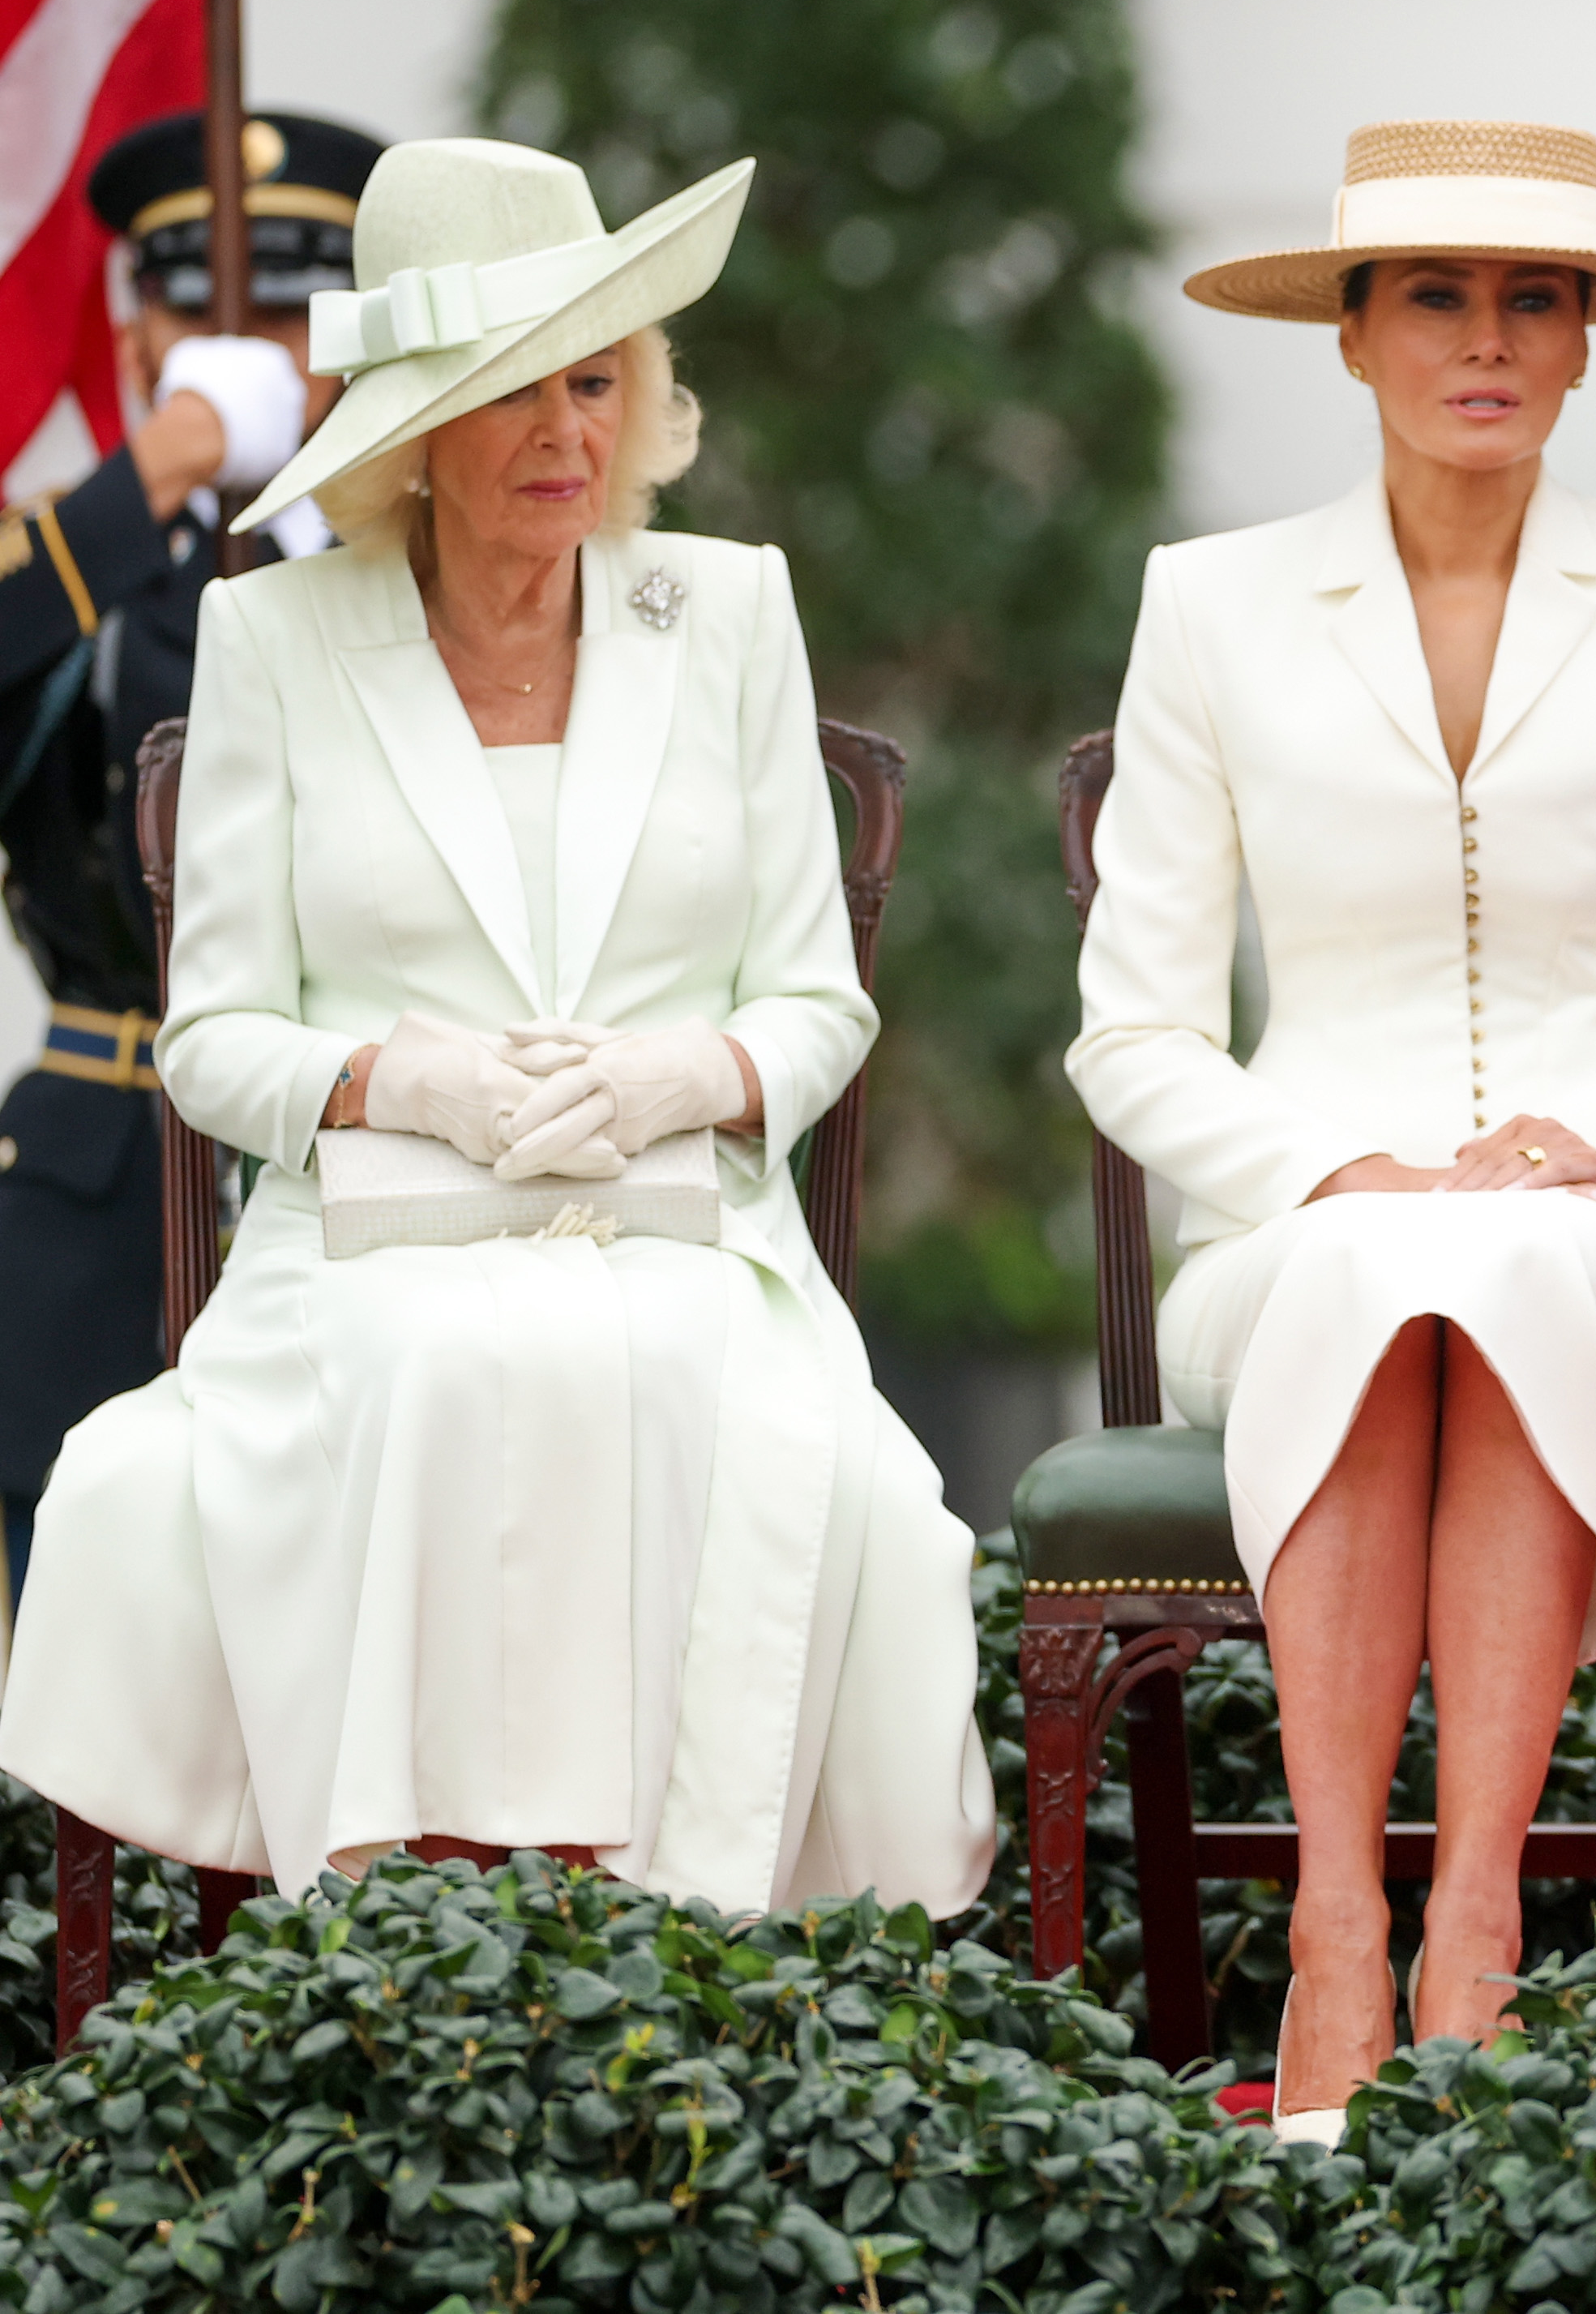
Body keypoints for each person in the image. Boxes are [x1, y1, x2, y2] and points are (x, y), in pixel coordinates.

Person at [0, 137, 997, 1918]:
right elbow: (215, 1035)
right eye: (509, 389)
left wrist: (679, 1071)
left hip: (688, 1221)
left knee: (701, 1392)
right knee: (449, 1368)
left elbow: (815, 999)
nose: (566, 431)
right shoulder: (273, 634)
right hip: (370, 1239)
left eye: (596, 378)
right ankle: (408, 1925)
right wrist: (405, 1075)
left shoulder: (733, 610)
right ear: (409, 431)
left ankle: (684, 1939)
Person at [1073, 122, 1596, 2137]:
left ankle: (1474, 1922)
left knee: (1507, 1253)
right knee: (1382, 1255)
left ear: (1591, 344)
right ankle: (1342, 1926)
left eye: (1535, 298)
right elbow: (1134, 1028)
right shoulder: (1215, 603)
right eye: (1433, 293)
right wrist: (1309, 1168)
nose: (1487, 339)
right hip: (1292, 1231)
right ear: (1349, 334)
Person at [0, 109, 378, 1592]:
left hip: (355, 1172)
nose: (243, 346)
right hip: (106, 1177)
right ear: (136, 329)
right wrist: (141, 487)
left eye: (284, 308)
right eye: (197, 305)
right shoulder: (64, 573)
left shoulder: (415, 578)